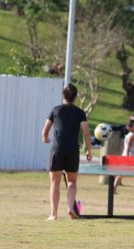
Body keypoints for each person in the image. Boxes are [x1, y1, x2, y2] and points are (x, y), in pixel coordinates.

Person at [41, 83, 92, 220]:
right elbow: (86, 132)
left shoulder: (55, 110)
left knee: (54, 182)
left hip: (57, 149)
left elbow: (45, 130)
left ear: (63, 95)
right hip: (72, 151)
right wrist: (89, 150)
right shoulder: (80, 113)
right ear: (75, 97)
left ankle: (54, 214)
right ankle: (70, 207)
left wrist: (45, 138)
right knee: (72, 182)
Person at [114, 120, 134, 195]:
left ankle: (114, 189)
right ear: (130, 127)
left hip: (126, 156)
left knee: (121, 174)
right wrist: (127, 158)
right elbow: (128, 147)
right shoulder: (132, 135)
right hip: (130, 157)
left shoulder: (129, 135)